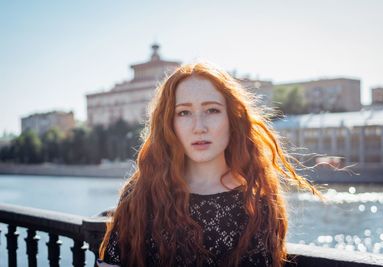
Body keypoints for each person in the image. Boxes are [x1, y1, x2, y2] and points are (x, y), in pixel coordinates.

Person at [98, 62, 320, 267]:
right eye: (184, 112)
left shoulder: (256, 201)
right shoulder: (141, 192)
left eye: (212, 110)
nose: (199, 127)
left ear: (232, 118)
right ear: (169, 123)